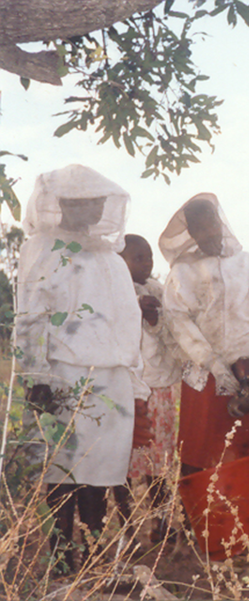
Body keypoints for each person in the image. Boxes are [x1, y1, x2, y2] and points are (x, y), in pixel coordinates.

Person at [16, 165, 152, 573]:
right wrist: (36, 376)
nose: (90, 209)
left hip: (111, 376)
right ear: (60, 205)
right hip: (64, 374)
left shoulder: (108, 257)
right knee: (63, 470)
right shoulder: (42, 249)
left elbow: (128, 321)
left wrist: (134, 377)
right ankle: (61, 558)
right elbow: (31, 317)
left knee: (102, 471)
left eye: (96, 201)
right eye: (80, 201)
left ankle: (93, 553)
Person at [159, 194, 249, 481]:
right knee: (203, 451)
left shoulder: (248, 263)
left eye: (211, 223)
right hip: (204, 374)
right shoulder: (182, 271)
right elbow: (178, 321)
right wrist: (212, 363)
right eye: (199, 228)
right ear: (191, 232)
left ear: (220, 222)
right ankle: (204, 523)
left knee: (247, 452)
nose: (208, 232)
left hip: (248, 371)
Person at [113, 233, 183, 543]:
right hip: (125, 389)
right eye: (138, 257)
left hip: (159, 385)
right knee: (121, 463)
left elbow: (172, 334)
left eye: (149, 257)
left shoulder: (158, 290)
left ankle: (160, 522)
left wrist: (156, 318)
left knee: (158, 461)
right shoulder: (113, 293)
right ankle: (126, 527)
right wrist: (134, 311)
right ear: (120, 261)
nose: (146, 263)